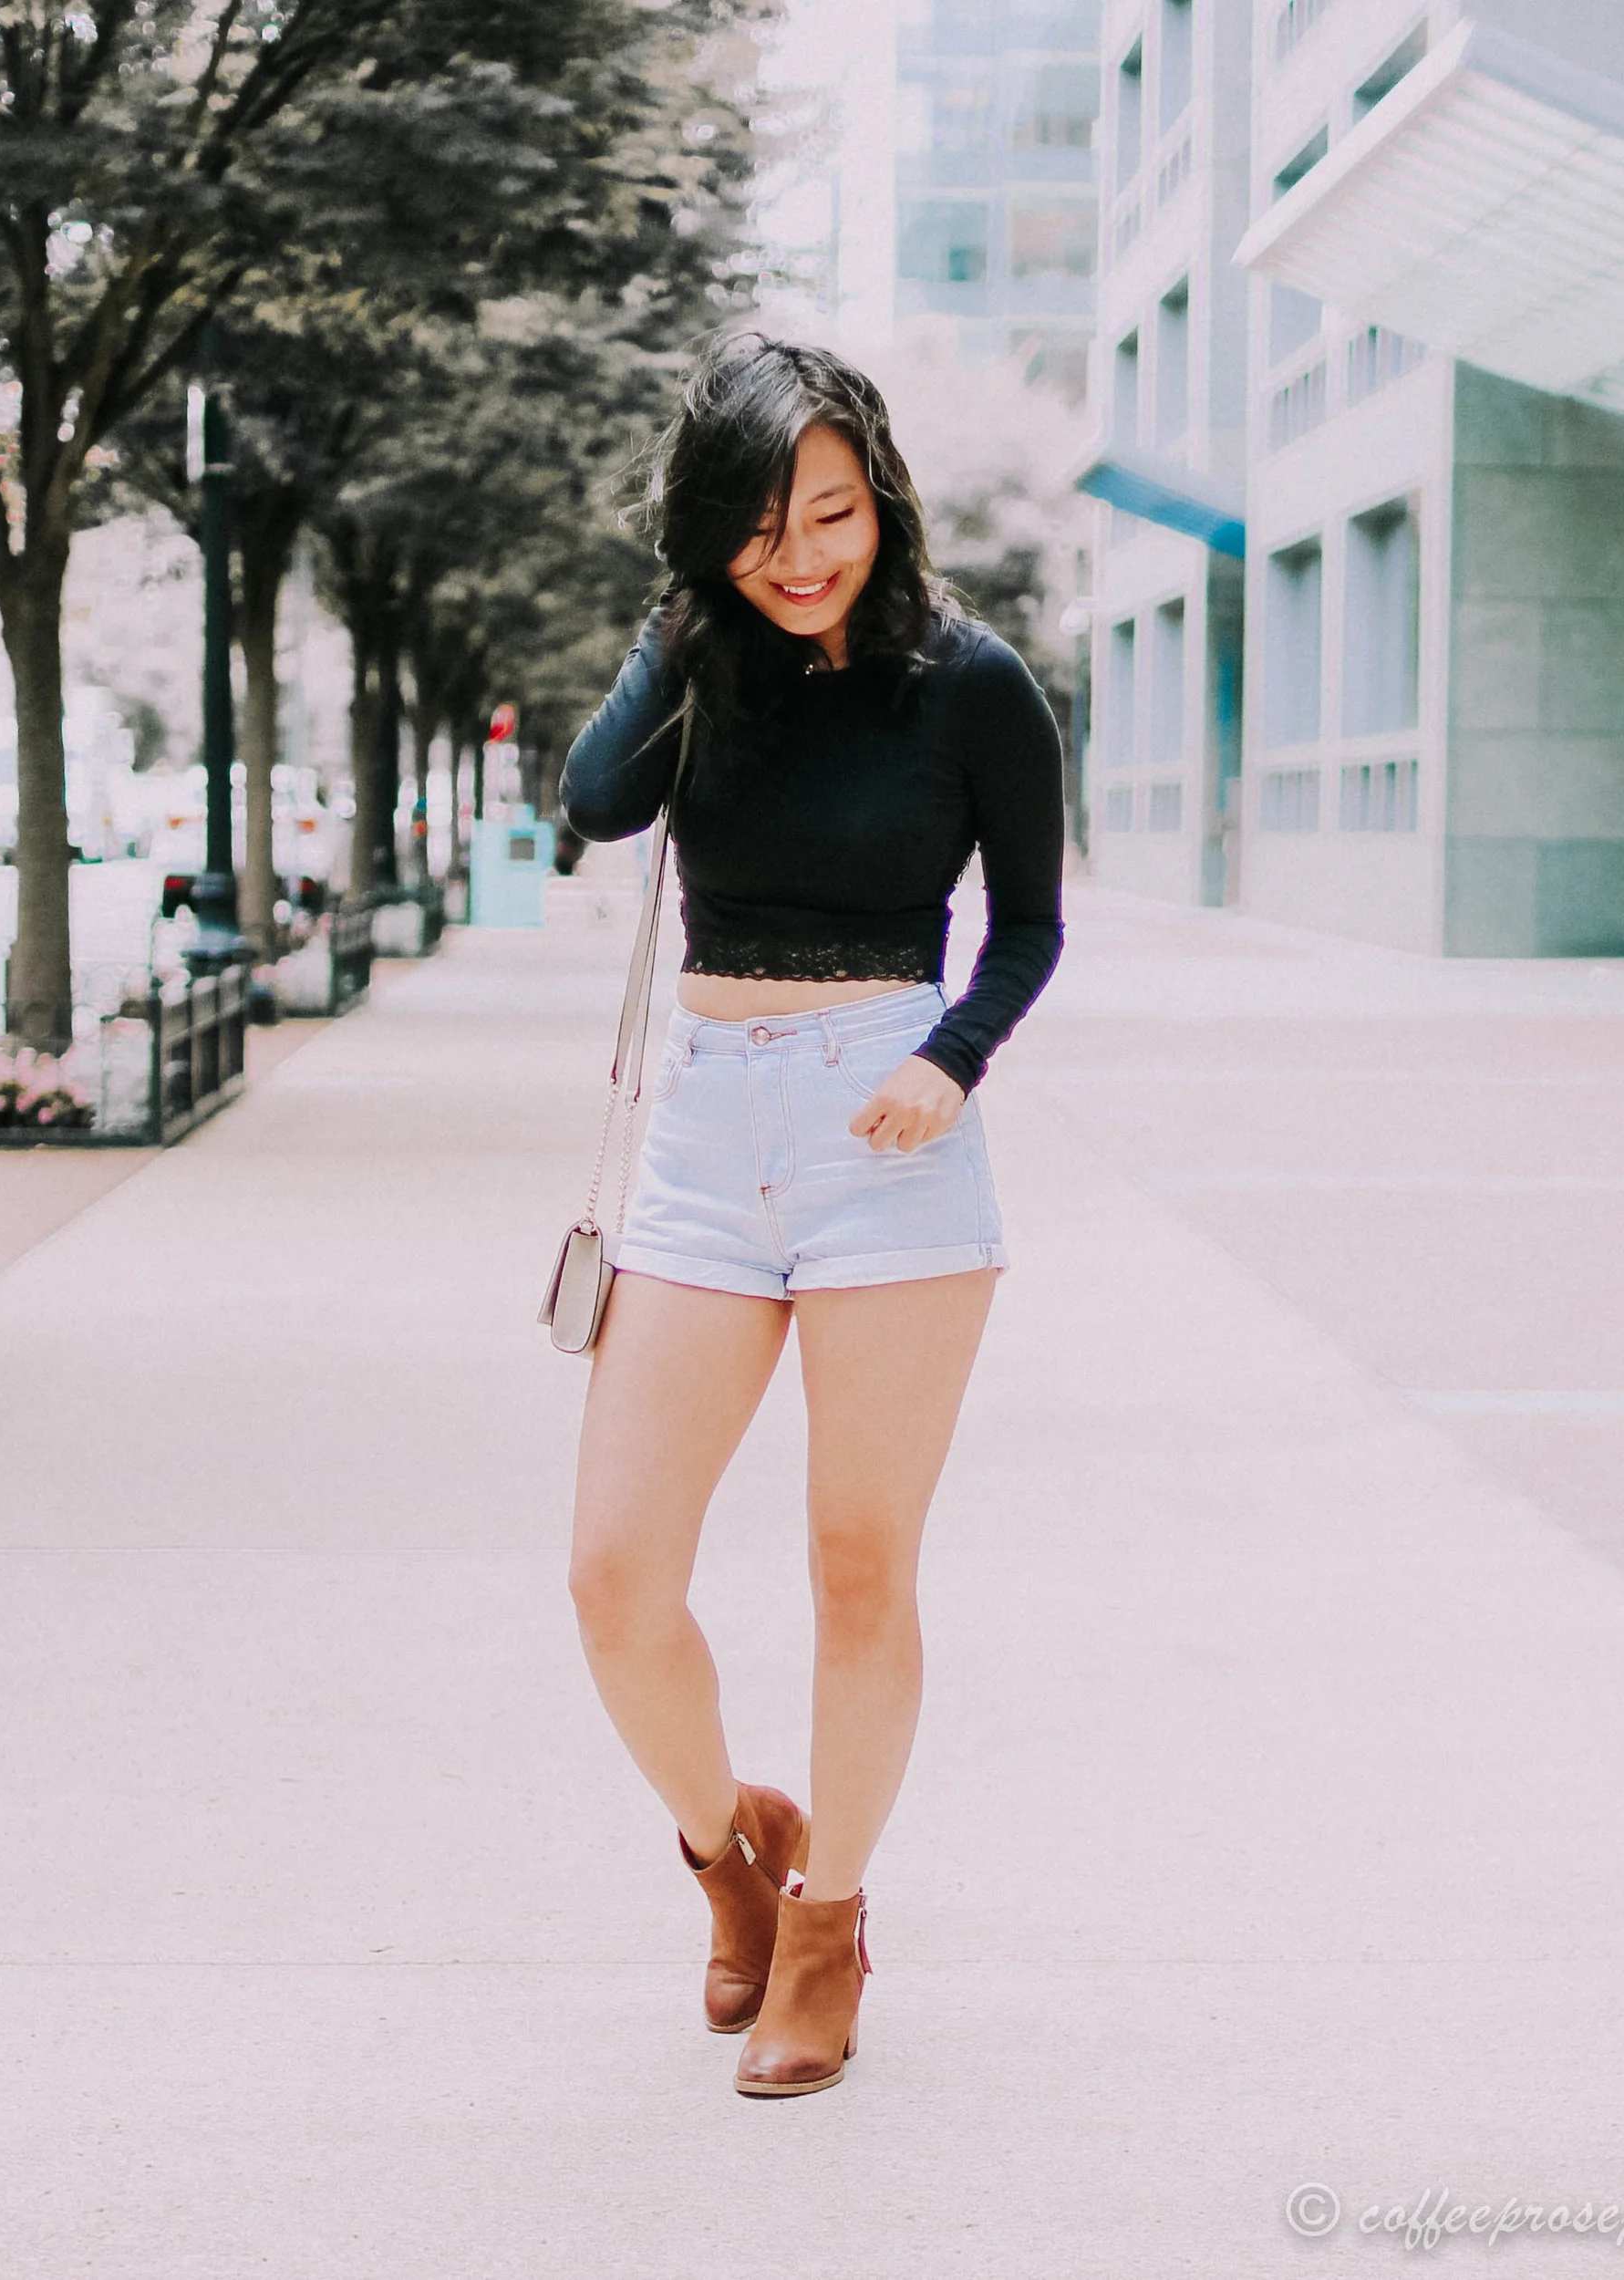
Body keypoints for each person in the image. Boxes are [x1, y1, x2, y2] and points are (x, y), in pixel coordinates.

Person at [559, 334, 1065, 2098]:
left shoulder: (973, 682)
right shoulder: (706, 665)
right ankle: (733, 1850)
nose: (803, 556)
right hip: (705, 1135)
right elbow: (593, 799)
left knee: (859, 1566)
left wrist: (953, 1058)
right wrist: (679, 621)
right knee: (617, 1579)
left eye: (832, 516)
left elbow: (1026, 928)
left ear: (883, 499)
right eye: (761, 527)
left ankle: (830, 1922)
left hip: (888, 1131)